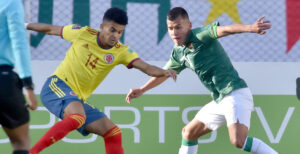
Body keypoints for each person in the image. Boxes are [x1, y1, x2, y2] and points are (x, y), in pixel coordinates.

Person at [126, 7, 278, 154]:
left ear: (189, 26)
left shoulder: (199, 35)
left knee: (238, 141)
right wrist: (142, 89)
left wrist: (250, 28)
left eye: (178, 27)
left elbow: (224, 30)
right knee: (189, 133)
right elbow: (165, 73)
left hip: (234, 93)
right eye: (170, 28)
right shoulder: (178, 52)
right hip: (219, 100)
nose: (174, 33)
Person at [26, 7, 176, 154]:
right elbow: (50, 29)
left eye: (120, 32)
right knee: (78, 116)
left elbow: (147, 68)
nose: (115, 36)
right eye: (112, 30)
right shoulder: (82, 33)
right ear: (102, 27)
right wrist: (24, 25)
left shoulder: (121, 51)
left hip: (76, 98)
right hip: (56, 86)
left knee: (112, 131)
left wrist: (164, 72)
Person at [0, 0, 38, 154]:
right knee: (21, 142)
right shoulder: (11, 3)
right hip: (4, 80)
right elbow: (19, 43)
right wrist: (28, 86)